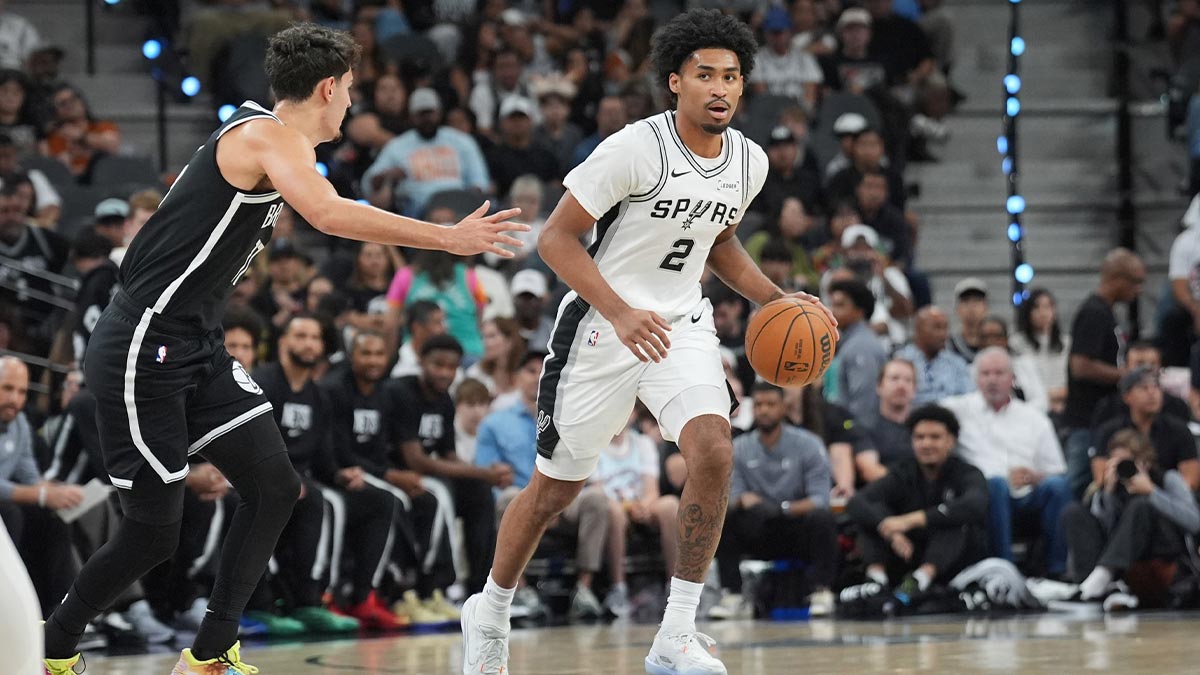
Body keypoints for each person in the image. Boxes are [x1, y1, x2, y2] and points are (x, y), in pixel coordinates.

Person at [42, 23, 527, 675]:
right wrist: (447, 237)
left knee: (274, 485)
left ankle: (210, 652)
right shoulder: (266, 136)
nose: (353, 105)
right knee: (154, 529)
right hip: (142, 344)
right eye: (351, 91)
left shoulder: (266, 136)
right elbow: (327, 213)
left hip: (196, 342)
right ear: (327, 88)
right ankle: (52, 644)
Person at [459, 11, 837, 675]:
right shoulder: (635, 148)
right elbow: (556, 238)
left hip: (683, 324)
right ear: (675, 82)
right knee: (553, 491)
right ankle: (489, 609)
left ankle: (676, 633)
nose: (720, 88)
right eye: (705, 75)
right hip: (601, 329)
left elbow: (716, 241)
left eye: (731, 77)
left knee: (715, 448)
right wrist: (621, 309)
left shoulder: (747, 161)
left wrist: (777, 300)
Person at [387, 335, 509, 598]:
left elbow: (449, 455)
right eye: (437, 365)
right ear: (421, 362)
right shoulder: (401, 393)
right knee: (443, 493)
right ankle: (440, 585)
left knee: (478, 493)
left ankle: (480, 589)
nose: (445, 373)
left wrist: (484, 475)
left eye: (451, 367)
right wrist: (484, 472)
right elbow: (415, 460)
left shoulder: (444, 401)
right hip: (395, 473)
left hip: (425, 475)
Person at [941, 347, 1070, 577]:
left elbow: (1056, 470)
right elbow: (924, 419)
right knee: (996, 483)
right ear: (976, 378)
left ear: (1013, 378)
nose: (992, 380)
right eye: (986, 373)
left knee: (1058, 487)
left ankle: (1056, 571)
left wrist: (1034, 476)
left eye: (999, 373)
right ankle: (1004, 570)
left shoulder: (1033, 418)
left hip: (1027, 495)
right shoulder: (957, 410)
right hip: (984, 495)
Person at [714, 383, 838, 618]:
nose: (764, 410)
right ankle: (733, 595)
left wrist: (781, 509)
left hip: (795, 524)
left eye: (770, 404)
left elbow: (820, 499)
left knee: (823, 519)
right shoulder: (739, 448)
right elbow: (734, 497)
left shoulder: (809, 444)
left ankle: (822, 591)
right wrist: (743, 502)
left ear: (784, 407)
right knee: (726, 519)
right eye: (759, 404)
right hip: (759, 527)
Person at [846, 405, 988, 596]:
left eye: (935, 437)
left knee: (956, 520)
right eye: (919, 437)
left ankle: (918, 582)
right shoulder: (903, 472)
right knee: (871, 518)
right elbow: (858, 501)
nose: (926, 444)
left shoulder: (966, 472)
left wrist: (912, 520)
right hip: (907, 553)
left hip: (950, 562)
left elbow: (975, 504)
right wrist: (889, 530)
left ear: (951, 441)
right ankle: (876, 582)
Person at [1063, 429, 1200, 602]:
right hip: (1120, 555)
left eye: (1127, 462)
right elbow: (1105, 528)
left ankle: (1103, 578)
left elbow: (1195, 522)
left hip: (1160, 552)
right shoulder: (1113, 487)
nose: (1123, 469)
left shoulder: (1167, 479)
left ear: (1145, 462)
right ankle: (1088, 585)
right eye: (1117, 462)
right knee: (1074, 511)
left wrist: (1152, 492)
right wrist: (1108, 493)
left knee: (1141, 505)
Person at [1063, 248, 1145, 498]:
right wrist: (1126, 375)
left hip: (1099, 420)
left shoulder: (1105, 312)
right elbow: (1080, 366)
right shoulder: (1093, 313)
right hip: (1085, 421)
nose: (1139, 290)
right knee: (1078, 489)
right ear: (1117, 279)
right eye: (1136, 282)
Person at [361, 87, 491, 217]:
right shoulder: (398, 146)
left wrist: (473, 197)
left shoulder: (461, 141)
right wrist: (387, 175)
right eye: (421, 114)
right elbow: (368, 183)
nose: (427, 119)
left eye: (430, 113)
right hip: (419, 210)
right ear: (412, 116)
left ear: (439, 113)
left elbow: (480, 181)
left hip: (459, 205)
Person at [1090, 367, 1200, 491]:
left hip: (1168, 499)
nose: (1152, 393)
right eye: (1144, 388)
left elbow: (1191, 482)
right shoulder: (1109, 431)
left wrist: (1155, 490)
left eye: (1156, 387)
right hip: (1122, 497)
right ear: (1127, 396)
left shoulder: (1179, 430)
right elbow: (1100, 478)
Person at [825, 278, 886, 422]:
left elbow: (864, 401)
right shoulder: (849, 342)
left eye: (840, 305)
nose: (832, 311)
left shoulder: (861, 346)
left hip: (857, 432)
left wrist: (854, 435)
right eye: (832, 305)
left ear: (860, 311)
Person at [1009, 287, 1071, 414]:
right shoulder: (1016, 343)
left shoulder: (1067, 343)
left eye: (1048, 307)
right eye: (1036, 307)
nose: (1043, 312)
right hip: (1030, 407)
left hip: (1063, 406)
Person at [895, 306, 973, 405]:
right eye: (937, 327)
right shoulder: (900, 362)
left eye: (945, 328)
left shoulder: (957, 363)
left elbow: (969, 397)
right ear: (918, 329)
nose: (943, 334)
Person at [856, 358, 917, 483]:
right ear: (879, 386)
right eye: (894, 378)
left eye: (908, 380)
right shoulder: (865, 426)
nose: (901, 385)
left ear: (914, 390)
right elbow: (869, 470)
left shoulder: (924, 425)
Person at [947, 277, 989, 363]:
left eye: (977, 300)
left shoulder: (996, 341)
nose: (971, 306)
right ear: (957, 308)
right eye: (965, 301)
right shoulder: (948, 346)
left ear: (986, 307)